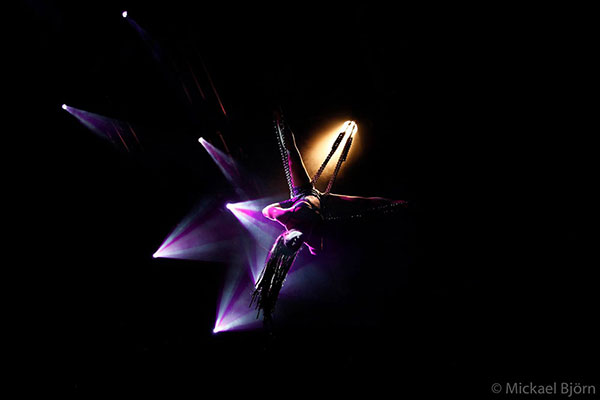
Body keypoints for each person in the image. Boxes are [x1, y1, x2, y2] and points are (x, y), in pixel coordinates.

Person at [250, 114, 408, 324]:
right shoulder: (311, 239)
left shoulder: (286, 218)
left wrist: (289, 204)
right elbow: (318, 249)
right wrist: (319, 237)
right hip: (325, 204)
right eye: (297, 244)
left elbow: (266, 211)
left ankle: (281, 121)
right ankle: (398, 203)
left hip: (302, 192)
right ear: (297, 248)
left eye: (290, 240)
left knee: (291, 154)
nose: (296, 240)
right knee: (365, 203)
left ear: (285, 237)